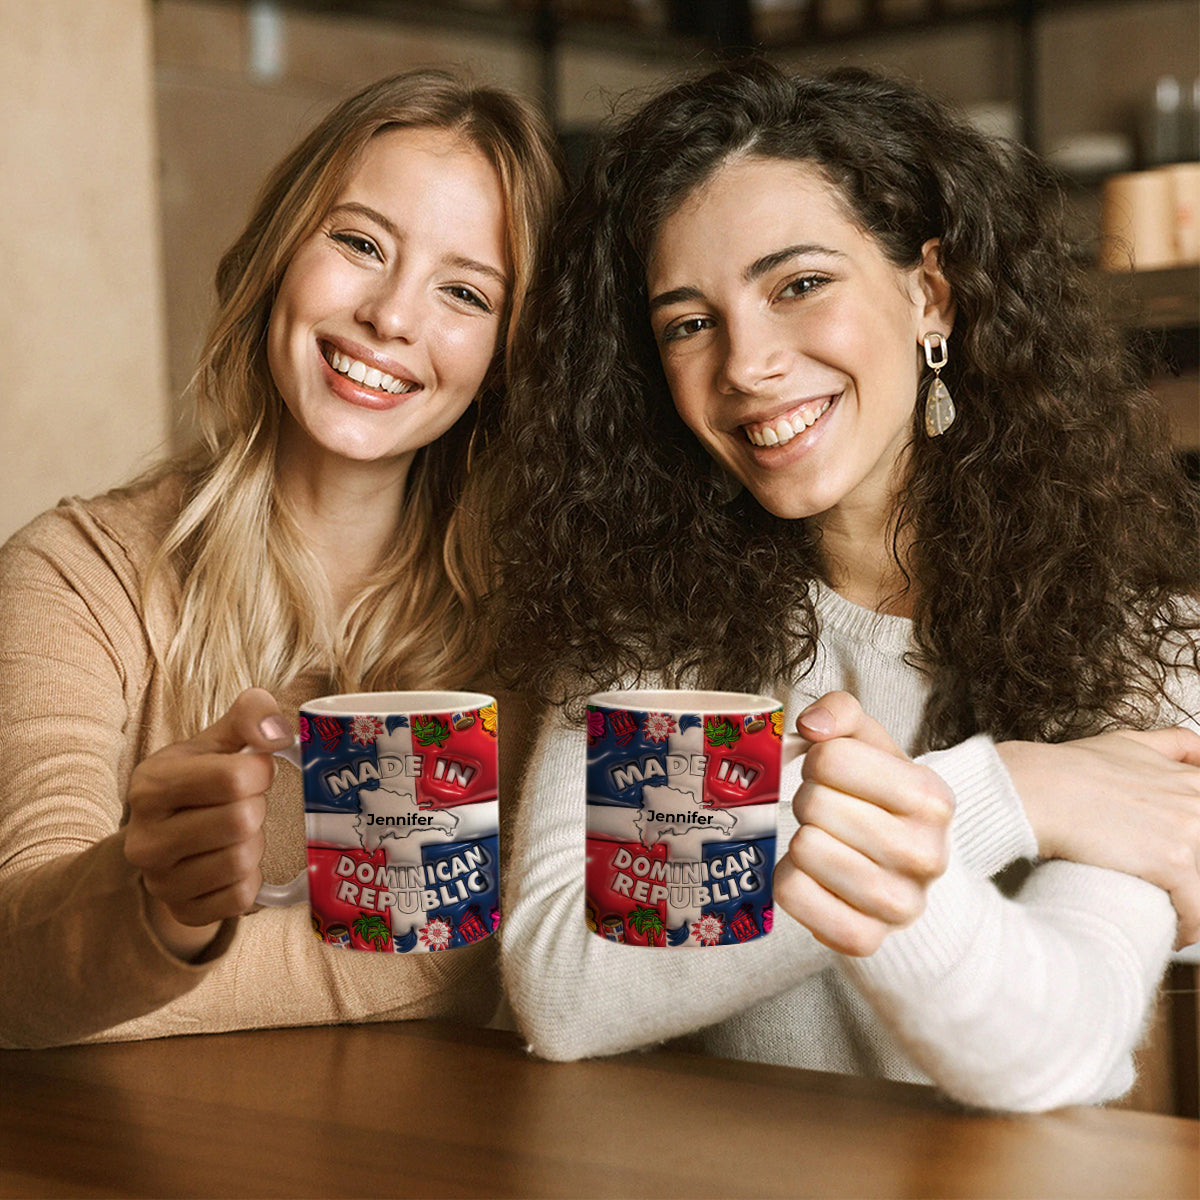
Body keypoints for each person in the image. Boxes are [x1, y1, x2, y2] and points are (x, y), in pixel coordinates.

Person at [488, 60, 1200, 1111]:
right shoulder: (651, 634)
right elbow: (563, 988)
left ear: (930, 295)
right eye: (689, 321)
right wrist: (1005, 793)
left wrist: (899, 815)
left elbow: (1055, 1045)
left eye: (799, 285)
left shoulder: (1142, 636)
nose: (746, 363)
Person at [0, 69, 563, 1048]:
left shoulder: (537, 623)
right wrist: (158, 910)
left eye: (465, 292)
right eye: (358, 243)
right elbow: (18, 969)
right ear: (278, 257)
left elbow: (500, 951)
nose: (392, 316)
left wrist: (146, 970)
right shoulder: (76, 575)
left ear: (508, 355)